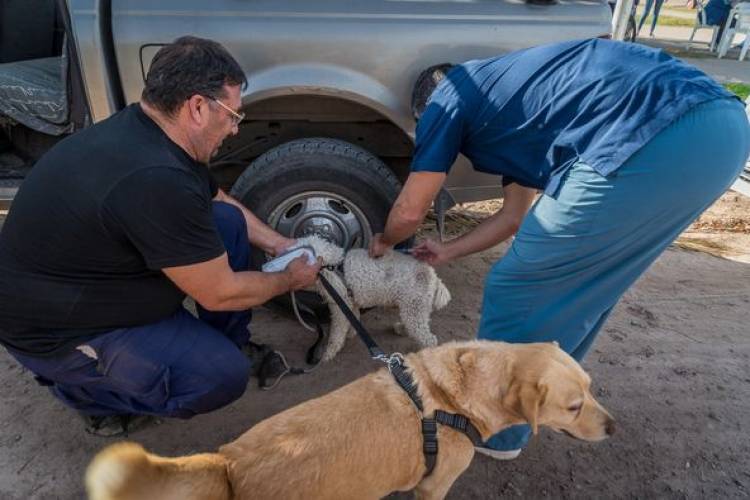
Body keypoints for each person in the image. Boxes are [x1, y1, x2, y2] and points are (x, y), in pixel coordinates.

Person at [369, 38, 749, 459]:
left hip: (654, 131)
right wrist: (449, 251)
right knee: (591, 283)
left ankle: (495, 427)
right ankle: (556, 398)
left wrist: (386, 241)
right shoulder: (512, 105)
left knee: (516, 285)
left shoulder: (449, 98)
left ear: (425, 109)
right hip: (722, 128)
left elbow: (409, 209)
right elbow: (512, 216)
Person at [0, 36, 320, 436]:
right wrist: (290, 279)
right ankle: (89, 394)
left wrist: (280, 244)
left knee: (226, 221)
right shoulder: (155, 179)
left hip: (97, 280)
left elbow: (215, 196)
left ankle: (226, 339)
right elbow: (219, 292)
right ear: (198, 107)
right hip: (59, 331)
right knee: (219, 376)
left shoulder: (148, 132)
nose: (236, 129)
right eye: (234, 115)